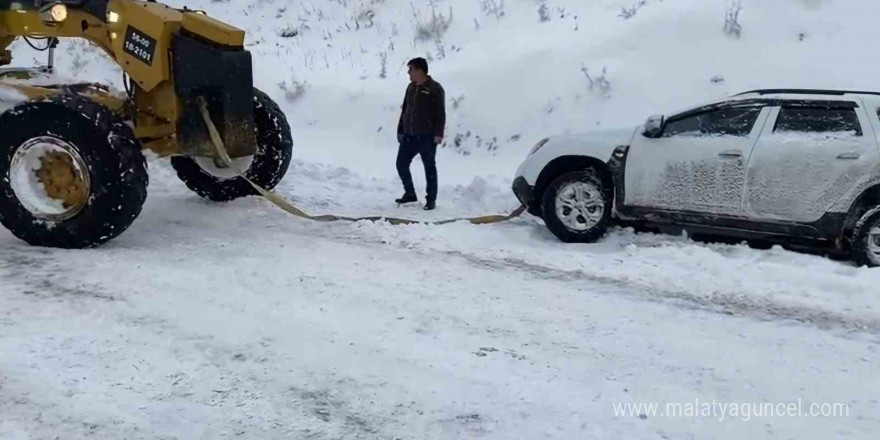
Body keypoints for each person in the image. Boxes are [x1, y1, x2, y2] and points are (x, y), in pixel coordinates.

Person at [395, 57, 446, 211]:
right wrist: (400, 129)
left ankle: (431, 200)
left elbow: (440, 114)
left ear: (419, 70)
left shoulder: (435, 88)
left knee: (429, 168)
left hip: (427, 136)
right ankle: (410, 193)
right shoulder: (411, 87)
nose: (408, 73)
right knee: (401, 164)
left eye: (411, 69)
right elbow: (405, 109)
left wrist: (438, 133)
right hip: (410, 135)